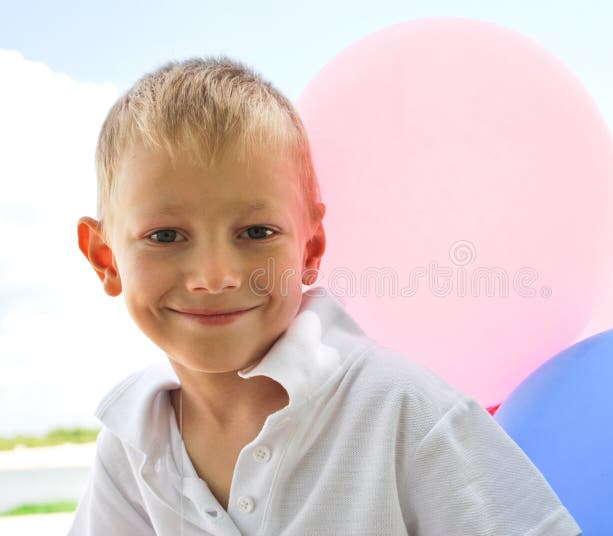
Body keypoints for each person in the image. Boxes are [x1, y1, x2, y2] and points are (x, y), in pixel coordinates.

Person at [70, 55, 583, 536]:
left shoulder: (403, 411)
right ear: (106, 259)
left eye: (255, 233)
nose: (215, 275)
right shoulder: (129, 443)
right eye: (165, 236)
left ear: (312, 247)